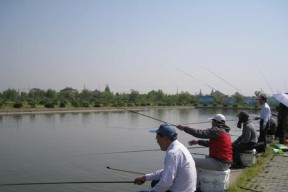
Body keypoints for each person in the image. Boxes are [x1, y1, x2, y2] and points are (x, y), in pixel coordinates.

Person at [134, 123, 197, 192]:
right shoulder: (180, 147)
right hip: (187, 189)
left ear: (165, 138)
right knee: (155, 182)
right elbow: (166, 172)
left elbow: (166, 183)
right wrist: (145, 177)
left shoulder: (172, 153)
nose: (157, 141)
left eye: (157, 138)